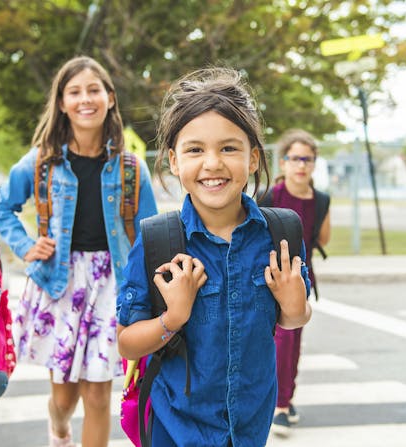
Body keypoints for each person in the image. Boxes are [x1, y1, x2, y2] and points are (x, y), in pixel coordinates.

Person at [116, 67, 312, 446]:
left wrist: (296, 307)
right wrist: (173, 317)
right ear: (174, 161)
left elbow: (293, 318)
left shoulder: (281, 234)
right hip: (176, 429)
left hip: (250, 428)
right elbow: (126, 342)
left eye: (228, 148)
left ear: (253, 158)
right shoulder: (159, 240)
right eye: (195, 150)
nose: (212, 163)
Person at [0, 55, 157, 447]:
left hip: (112, 284)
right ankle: (60, 427)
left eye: (94, 89)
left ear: (110, 98)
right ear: (62, 102)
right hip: (58, 281)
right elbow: (3, 207)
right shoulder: (41, 163)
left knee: (99, 394)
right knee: (64, 397)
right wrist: (27, 244)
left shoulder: (132, 168)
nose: (86, 99)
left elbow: (151, 235)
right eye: (75, 91)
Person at [260, 129, 331, 436]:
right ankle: (274, 402)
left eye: (307, 159)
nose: (301, 165)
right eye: (294, 158)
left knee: (291, 341)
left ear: (314, 163)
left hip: (300, 278)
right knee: (270, 341)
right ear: (284, 161)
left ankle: (283, 402)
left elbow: (322, 238)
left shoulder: (321, 200)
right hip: (267, 277)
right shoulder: (270, 196)